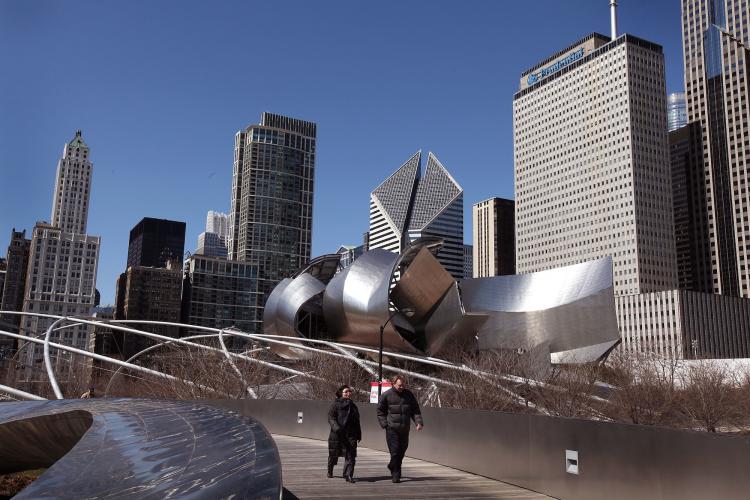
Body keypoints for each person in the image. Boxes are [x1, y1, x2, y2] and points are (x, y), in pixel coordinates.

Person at [376, 374, 423, 483]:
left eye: (403, 385)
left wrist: (418, 422)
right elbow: (380, 411)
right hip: (392, 429)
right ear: (393, 384)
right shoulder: (386, 395)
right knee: (395, 452)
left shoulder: (409, 395)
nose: (401, 387)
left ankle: (392, 466)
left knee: (402, 452)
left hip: (405, 429)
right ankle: (396, 475)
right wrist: (385, 424)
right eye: (399, 385)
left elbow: (415, 410)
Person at [327, 385, 361, 483]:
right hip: (337, 434)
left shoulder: (353, 406)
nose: (348, 393)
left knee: (351, 456)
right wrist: (337, 428)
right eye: (346, 392)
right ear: (341, 393)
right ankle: (330, 469)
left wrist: (359, 434)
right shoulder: (335, 404)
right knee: (334, 454)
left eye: (349, 391)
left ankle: (348, 475)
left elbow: (357, 422)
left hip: (351, 434)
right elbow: (331, 417)